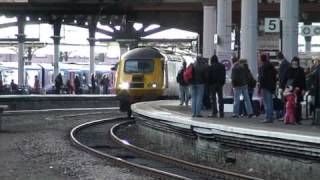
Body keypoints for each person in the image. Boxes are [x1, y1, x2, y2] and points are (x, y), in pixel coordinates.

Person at [281, 57, 306, 124]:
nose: (294, 62)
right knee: (288, 104)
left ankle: (297, 119)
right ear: (292, 62)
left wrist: (304, 89)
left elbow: (303, 80)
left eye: (296, 61)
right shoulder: (288, 69)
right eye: (293, 61)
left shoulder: (301, 70)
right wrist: (282, 87)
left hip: (298, 89)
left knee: (297, 104)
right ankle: (288, 118)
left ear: (298, 62)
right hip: (289, 89)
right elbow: (284, 79)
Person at [258, 54, 277, 123]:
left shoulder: (262, 67)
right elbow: (275, 77)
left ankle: (268, 117)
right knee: (270, 102)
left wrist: (260, 88)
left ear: (261, 59)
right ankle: (271, 117)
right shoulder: (271, 67)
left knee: (266, 103)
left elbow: (262, 78)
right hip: (271, 87)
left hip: (265, 87)